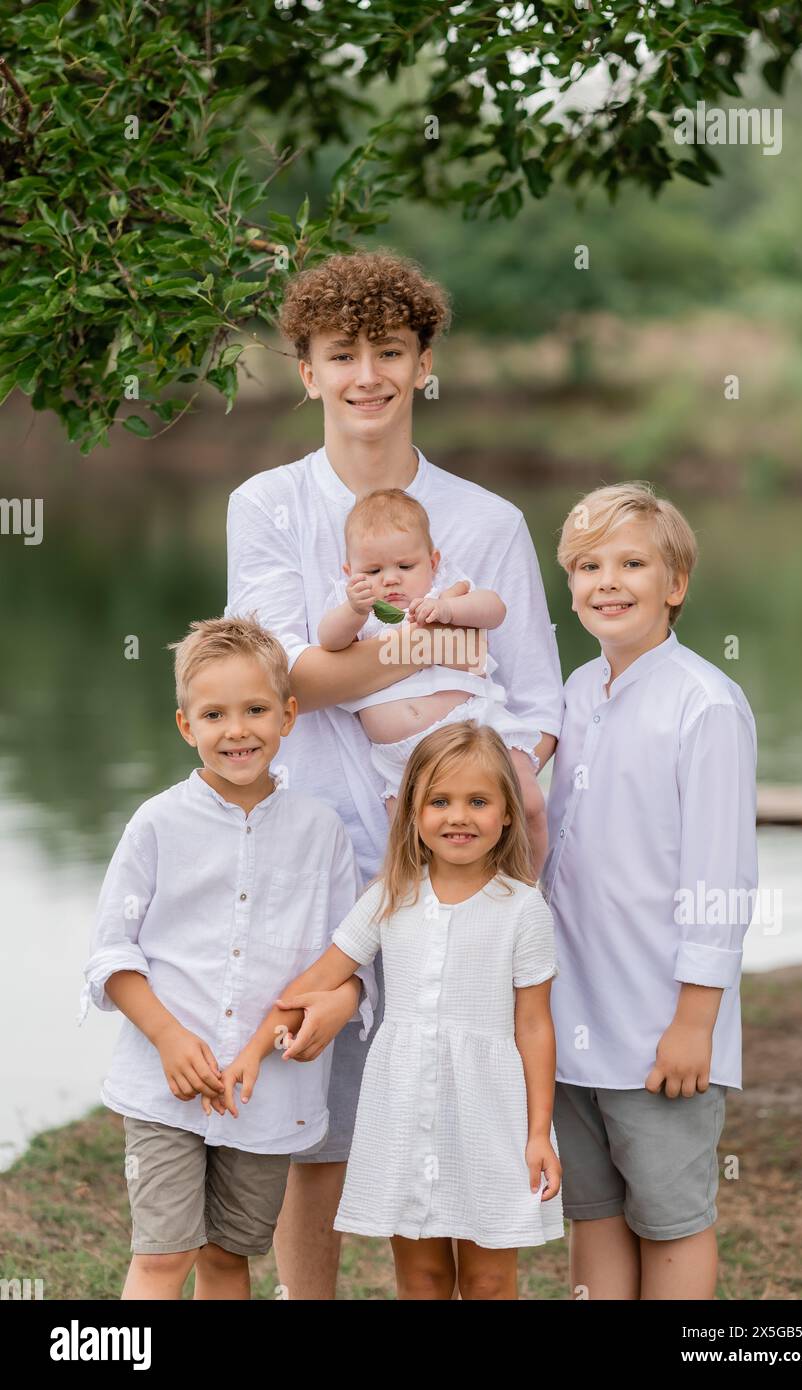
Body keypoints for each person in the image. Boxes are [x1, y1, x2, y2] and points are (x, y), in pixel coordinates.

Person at [226, 250, 563, 1297]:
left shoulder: (488, 522)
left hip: (448, 866)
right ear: (307, 371)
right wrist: (436, 645)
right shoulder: (269, 505)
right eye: (341, 355)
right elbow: (289, 681)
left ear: (422, 364)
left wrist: (496, 790)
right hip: (312, 848)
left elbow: (538, 702)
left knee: (457, 1090)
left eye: (388, 351)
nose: (365, 374)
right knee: (312, 1126)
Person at [213, 721, 564, 1299]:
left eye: (478, 801)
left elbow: (534, 1023)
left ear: (507, 813)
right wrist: (254, 1048)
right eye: (440, 801)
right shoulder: (390, 895)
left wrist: (538, 1132)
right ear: (412, 813)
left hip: (492, 1112)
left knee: (489, 1278)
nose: (458, 816)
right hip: (405, 1107)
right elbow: (319, 978)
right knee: (422, 1276)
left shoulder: (522, 908)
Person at [78, 616, 374, 1299]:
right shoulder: (156, 824)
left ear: (289, 716)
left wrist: (341, 1002)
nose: (236, 730)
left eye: (255, 710)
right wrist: (168, 1036)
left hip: (264, 1096)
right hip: (165, 1088)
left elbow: (346, 957)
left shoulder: (320, 832)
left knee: (227, 1257)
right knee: (163, 1252)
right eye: (215, 714)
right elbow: (111, 955)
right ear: (187, 726)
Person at [541, 482, 758, 1301]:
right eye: (588, 565)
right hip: (575, 1020)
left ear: (675, 585)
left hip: (662, 1026)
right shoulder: (575, 692)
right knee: (595, 1213)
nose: (608, 581)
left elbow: (722, 876)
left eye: (632, 563)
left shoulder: (704, 704)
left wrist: (694, 1021)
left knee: (670, 1219)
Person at [317, 485, 549, 874]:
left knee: (528, 802)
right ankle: (417, 913)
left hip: (476, 724)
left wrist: (448, 608)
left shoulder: (444, 590)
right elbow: (328, 641)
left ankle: (530, 887)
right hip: (401, 756)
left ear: (432, 562)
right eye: (372, 571)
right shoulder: (356, 609)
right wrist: (354, 611)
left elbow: (494, 609)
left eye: (405, 567)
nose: (390, 581)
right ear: (349, 573)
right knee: (405, 847)